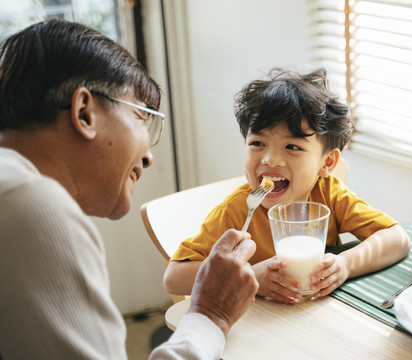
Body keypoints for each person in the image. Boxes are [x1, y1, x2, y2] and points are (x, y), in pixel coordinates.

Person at [0, 19, 258, 360]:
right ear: (84, 113)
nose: (149, 157)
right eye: (141, 118)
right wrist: (212, 313)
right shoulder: (29, 205)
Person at [164, 68, 411, 304]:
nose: (270, 159)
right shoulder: (238, 210)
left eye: (292, 147)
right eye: (257, 143)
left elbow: (397, 239)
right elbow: (174, 278)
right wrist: (250, 275)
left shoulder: (328, 194)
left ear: (326, 162)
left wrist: (346, 264)